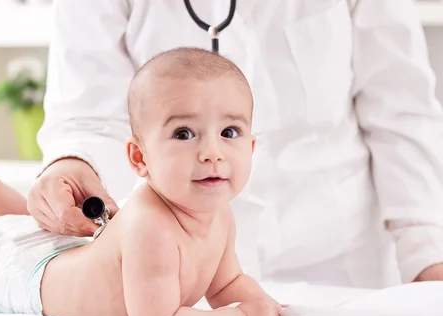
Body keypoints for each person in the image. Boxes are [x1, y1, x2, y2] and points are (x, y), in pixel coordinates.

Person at [28, 0, 443, 289]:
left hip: (344, 260)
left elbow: (401, 104)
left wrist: (425, 248)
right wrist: (73, 165)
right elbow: (90, 116)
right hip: (183, 270)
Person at [0, 48, 284, 316]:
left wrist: (268, 309)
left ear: (251, 148)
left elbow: (226, 282)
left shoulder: (218, 214)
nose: (212, 153)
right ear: (140, 158)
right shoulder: (151, 227)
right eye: (184, 133)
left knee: (21, 228)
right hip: (18, 279)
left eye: (229, 132)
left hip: (59, 249)